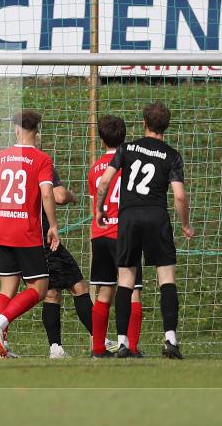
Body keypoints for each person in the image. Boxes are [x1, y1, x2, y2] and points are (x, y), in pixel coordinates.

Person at [94, 102, 194, 360]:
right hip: (156, 215)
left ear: (144, 123)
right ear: (166, 126)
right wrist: (185, 223)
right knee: (167, 279)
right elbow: (180, 196)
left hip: (129, 217)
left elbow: (105, 180)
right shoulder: (171, 155)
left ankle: (122, 342)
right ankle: (171, 339)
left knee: (125, 280)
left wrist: (101, 208)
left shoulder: (127, 148)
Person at [0, 110, 60, 359]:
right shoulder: (42, 159)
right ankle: (0, 323)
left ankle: (0, 349)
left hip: (3, 229)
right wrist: (53, 225)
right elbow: (47, 194)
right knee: (39, 288)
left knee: (7, 287)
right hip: (26, 232)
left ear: (16, 129)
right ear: (37, 131)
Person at [88, 115, 144, 359]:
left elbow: (95, 203)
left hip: (100, 234)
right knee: (132, 290)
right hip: (123, 234)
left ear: (102, 140)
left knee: (104, 291)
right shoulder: (131, 164)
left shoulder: (95, 169)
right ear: (124, 138)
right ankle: (129, 346)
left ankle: (98, 348)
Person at [36, 156, 100, 359]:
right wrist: (72, 196)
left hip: (29, 234)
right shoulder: (41, 162)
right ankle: (96, 339)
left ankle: (58, 347)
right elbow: (60, 195)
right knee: (68, 288)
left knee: (58, 289)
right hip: (44, 235)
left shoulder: (13, 161)